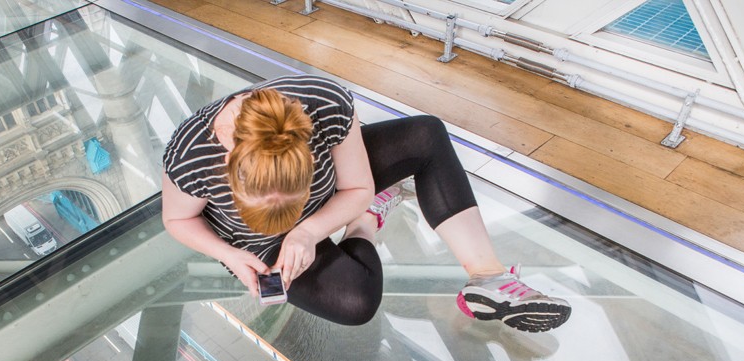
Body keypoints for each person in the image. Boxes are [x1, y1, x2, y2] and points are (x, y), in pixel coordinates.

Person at [162, 74, 570, 332]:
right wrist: (229, 255)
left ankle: (488, 276)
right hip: (254, 245)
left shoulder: (324, 103)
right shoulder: (190, 154)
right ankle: (366, 223)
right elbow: (177, 220)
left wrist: (307, 230)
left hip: (332, 193)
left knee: (426, 135)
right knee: (356, 304)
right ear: (230, 169)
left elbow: (355, 186)